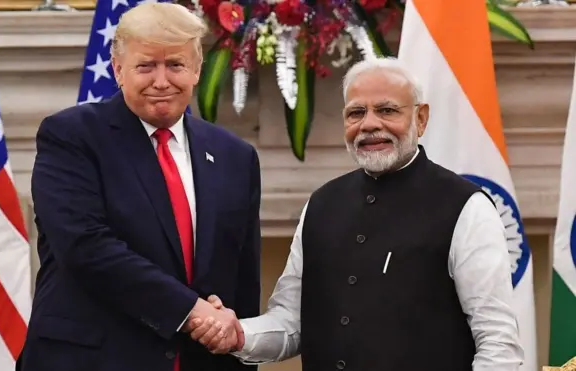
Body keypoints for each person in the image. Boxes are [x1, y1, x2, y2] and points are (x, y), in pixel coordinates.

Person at [189, 57, 525, 371]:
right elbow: (291, 322)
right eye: (356, 113)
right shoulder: (321, 204)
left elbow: (497, 341)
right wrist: (239, 334)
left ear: (420, 119)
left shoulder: (466, 207)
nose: (370, 125)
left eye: (387, 110)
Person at [17, 3, 261, 371]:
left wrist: (239, 351)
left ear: (196, 70)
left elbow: (243, 279)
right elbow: (86, 247)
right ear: (118, 70)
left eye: (175, 65)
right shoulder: (71, 136)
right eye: (146, 66)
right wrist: (191, 311)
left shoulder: (235, 156)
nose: (161, 81)